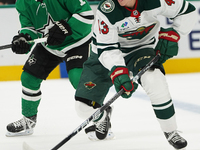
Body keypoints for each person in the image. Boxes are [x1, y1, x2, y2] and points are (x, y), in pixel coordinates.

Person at [74, 0, 197, 149]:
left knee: (155, 81)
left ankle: (170, 131)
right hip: (102, 54)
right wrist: (119, 71)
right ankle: (102, 117)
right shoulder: (107, 9)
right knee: (82, 108)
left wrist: (175, 34)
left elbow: (187, 10)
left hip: (141, 49)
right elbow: (107, 48)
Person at [6, 0, 94, 137]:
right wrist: (24, 38)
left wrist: (66, 28)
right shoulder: (22, 3)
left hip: (78, 41)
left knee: (78, 78)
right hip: (50, 45)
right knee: (29, 77)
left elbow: (86, 14)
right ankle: (29, 120)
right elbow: (30, 27)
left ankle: (100, 116)